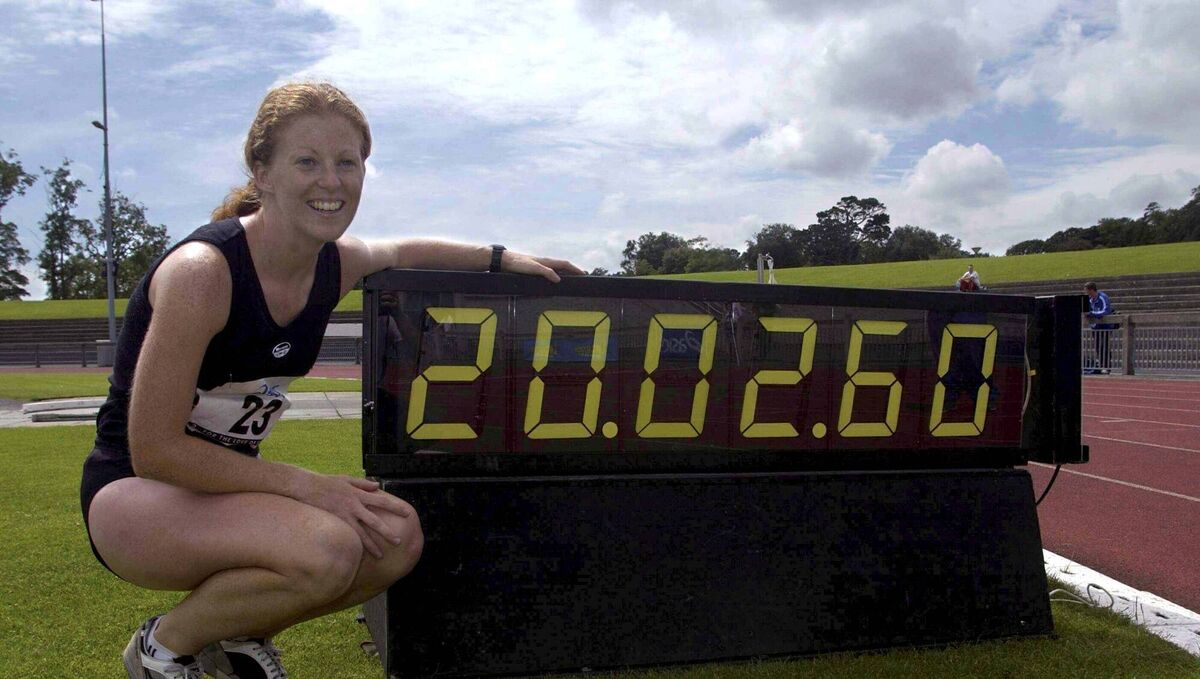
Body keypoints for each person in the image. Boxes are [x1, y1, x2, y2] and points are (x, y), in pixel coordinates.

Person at [79, 82, 584, 679]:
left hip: (223, 492)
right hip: (135, 495)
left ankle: (238, 637)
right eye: (307, 162)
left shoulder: (333, 263)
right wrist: (309, 487)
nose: (332, 181)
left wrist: (501, 258)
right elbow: (155, 450)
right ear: (261, 171)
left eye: (348, 163)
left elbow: (406, 250)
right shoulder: (203, 273)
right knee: (329, 546)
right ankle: (161, 649)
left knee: (394, 537)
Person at [1084, 281, 1116, 374]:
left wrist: (1092, 314)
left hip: (1105, 327)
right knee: (1098, 347)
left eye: (1087, 290)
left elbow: (1106, 311)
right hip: (1095, 327)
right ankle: (1102, 365)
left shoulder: (1102, 297)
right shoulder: (1089, 300)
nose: (1086, 293)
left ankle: (1106, 366)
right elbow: (1087, 311)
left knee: (1104, 346)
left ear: (1091, 290)